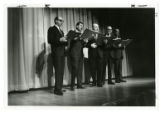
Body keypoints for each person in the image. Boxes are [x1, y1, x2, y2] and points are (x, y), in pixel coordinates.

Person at [47, 16, 67, 95]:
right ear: (55, 21)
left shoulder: (61, 31)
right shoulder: (51, 29)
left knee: (61, 71)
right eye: (60, 20)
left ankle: (59, 88)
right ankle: (57, 90)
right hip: (56, 52)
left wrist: (67, 39)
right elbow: (50, 40)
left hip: (62, 52)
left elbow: (65, 43)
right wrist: (60, 39)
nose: (61, 22)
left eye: (62, 21)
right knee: (58, 70)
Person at [67, 21, 87, 91]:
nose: (81, 27)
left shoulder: (82, 34)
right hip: (74, 53)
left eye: (82, 26)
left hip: (81, 53)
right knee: (74, 68)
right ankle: (72, 85)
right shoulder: (72, 32)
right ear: (77, 26)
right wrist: (76, 38)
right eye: (80, 25)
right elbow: (68, 40)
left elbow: (83, 45)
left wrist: (85, 41)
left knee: (80, 69)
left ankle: (79, 85)